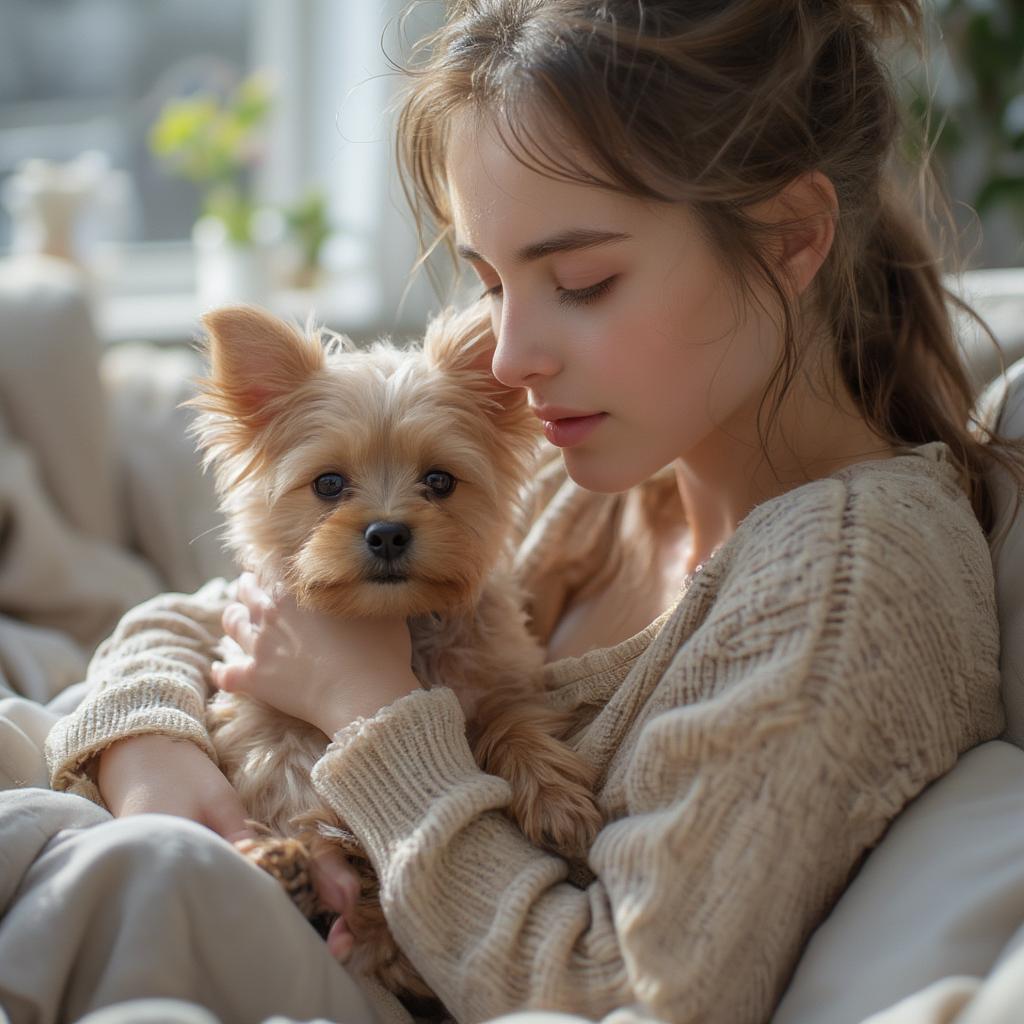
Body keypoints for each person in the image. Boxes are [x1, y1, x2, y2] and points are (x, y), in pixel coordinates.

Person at [7, 1, 1024, 1022]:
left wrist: (372, 718)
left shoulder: (845, 590)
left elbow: (623, 988)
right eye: (490, 283)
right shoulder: (600, 476)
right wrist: (142, 741)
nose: (506, 357)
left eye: (580, 280)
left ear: (791, 238)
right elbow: (232, 608)